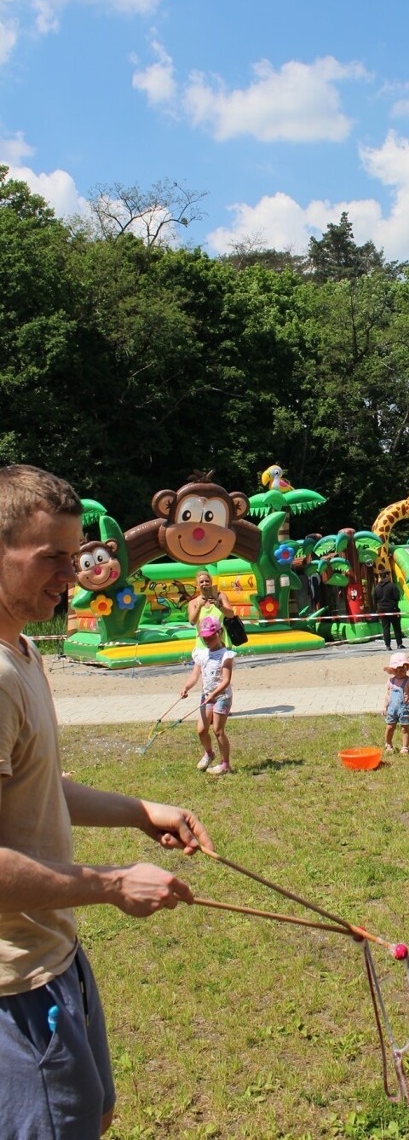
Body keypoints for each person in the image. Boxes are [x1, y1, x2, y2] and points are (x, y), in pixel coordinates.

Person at [0, 464, 211, 1139]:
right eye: (51, 558)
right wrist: (112, 883)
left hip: (55, 953)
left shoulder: (24, 654)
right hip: (16, 987)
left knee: (93, 1115)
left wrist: (138, 811)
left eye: (74, 552)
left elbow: (35, 787)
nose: (72, 572)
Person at [180, 616, 236, 774]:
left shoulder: (226, 655)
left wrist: (214, 694)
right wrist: (186, 687)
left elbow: (226, 681)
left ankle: (225, 764)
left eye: (211, 636)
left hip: (222, 696)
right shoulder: (201, 654)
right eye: (205, 637)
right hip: (207, 696)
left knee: (218, 730)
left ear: (219, 633)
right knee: (201, 730)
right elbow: (194, 676)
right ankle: (209, 753)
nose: (208, 640)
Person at [381, 651, 409, 754]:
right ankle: (388, 744)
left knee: (404, 728)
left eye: (402, 669)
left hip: (404, 709)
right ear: (393, 670)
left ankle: (405, 747)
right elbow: (388, 695)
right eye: (397, 669)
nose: (400, 672)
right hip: (392, 708)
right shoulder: (391, 681)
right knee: (390, 727)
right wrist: (385, 707)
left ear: (407, 668)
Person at [187, 569, 236, 642]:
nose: (204, 583)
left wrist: (218, 605)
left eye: (207, 581)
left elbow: (231, 615)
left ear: (211, 583)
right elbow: (192, 622)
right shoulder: (193, 603)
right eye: (201, 582)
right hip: (203, 647)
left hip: (222, 643)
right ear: (197, 585)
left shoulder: (221, 596)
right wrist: (199, 607)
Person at [373, 569, 404, 650]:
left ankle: (388, 645)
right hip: (392, 608)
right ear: (387, 576)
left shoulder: (376, 587)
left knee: (385, 628)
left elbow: (374, 599)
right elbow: (397, 597)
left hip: (382, 610)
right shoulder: (392, 586)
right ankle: (399, 644)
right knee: (396, 627)